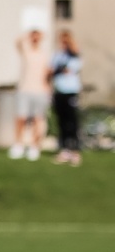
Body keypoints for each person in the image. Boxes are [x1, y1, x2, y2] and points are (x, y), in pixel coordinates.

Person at [10, 28, 50, 161]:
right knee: (21, 118)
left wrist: (47, 89)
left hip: (39, 91)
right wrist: (28, 35)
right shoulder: (26, 51)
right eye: (34, 36)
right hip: (24, 89)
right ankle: (18, 144)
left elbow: (47, 73)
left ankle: (34, 146)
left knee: (37, 120)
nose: (35, 39)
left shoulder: (44, 54)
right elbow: (17, 42)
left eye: (37, 37)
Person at [51, 30, 83, 166]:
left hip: (71, 92)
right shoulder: (58, 55)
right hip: (59, 91)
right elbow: (52, 70)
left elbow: (69, 69)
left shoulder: (74, 56)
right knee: (62, 122)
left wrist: (71, 45)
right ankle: (64, 149)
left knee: (72, 122)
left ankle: (75, 150)